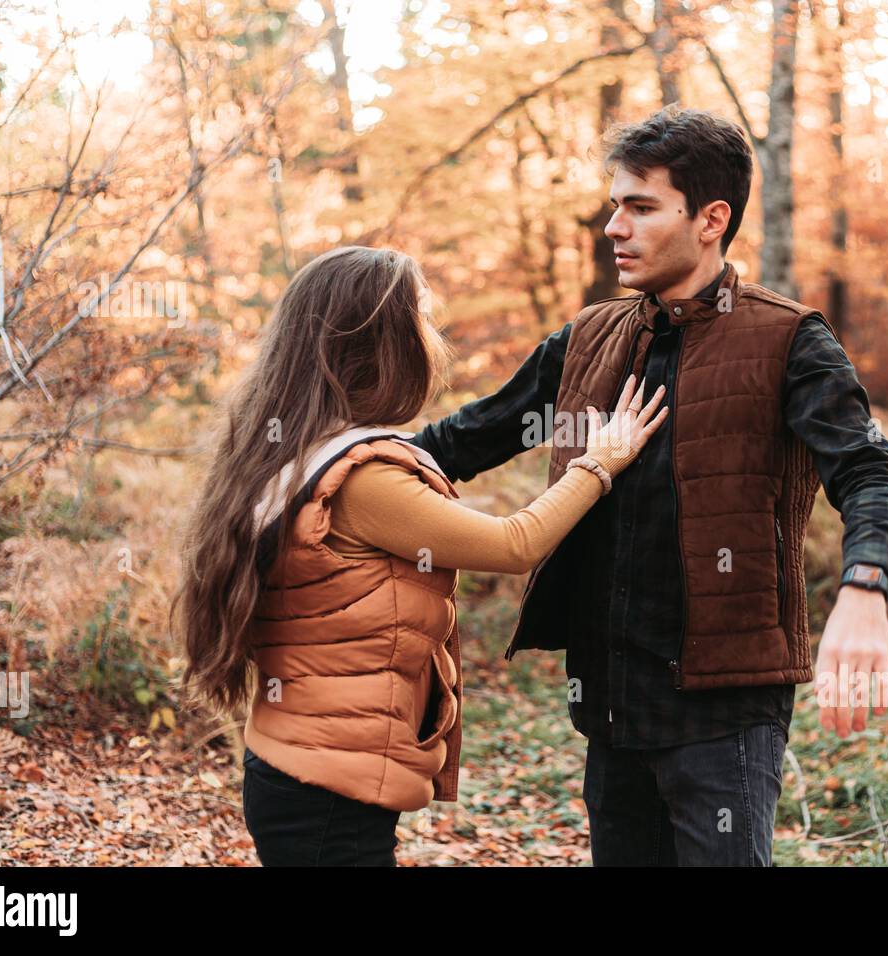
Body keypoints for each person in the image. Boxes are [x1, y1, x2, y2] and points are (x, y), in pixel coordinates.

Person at [408, 106, 888, 866]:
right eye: (615, 205)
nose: (615, 226)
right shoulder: (588, 338)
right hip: (609, 702)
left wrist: (867, 584)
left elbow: (868, 468)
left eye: (640, 207)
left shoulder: (789, 339)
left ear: (712, 219)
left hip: (725, 709)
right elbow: (465, 439)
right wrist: (335, 473)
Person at [171, 245, 668, 865]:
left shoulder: (292, 452)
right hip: (327, 787)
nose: (432, 338)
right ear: (381, 344)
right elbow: (515, 544)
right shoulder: (362, 478)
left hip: (295, 764)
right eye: (421, 321)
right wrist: (602, 461)